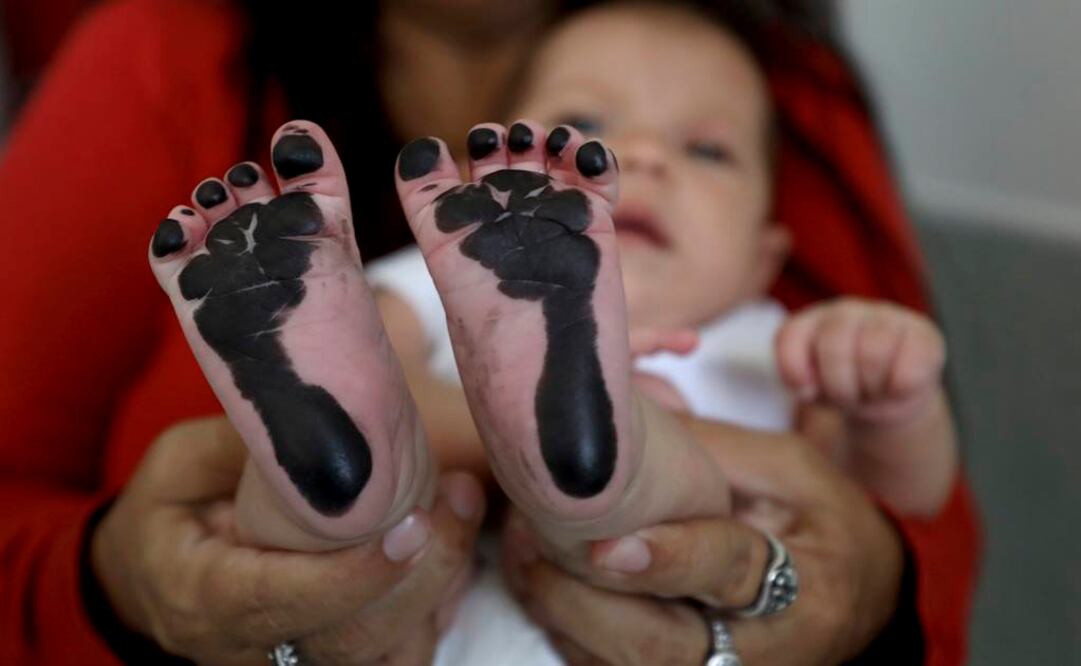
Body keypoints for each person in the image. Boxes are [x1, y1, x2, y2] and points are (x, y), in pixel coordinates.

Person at [0, 1, 978, 664]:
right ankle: (370, 470)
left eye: (706, 150)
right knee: (315, 492)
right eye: (583, 128)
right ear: (483, 190)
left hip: (558, 543)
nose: (642, 154)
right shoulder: (434, 282)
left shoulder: (769, 333)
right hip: (414, 571)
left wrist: (889, 398)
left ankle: (562, 452)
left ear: (772, 248)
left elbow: (908, 518)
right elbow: (372, 334)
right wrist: (119, 585)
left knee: (680, 474)